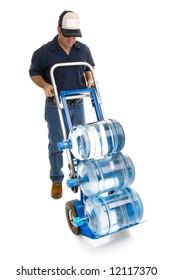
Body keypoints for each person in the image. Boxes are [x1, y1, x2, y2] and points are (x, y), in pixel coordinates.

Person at [29, 10, 95, 198]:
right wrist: (45, 85)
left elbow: (88, 69)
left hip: (78, 103)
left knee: (81, 142)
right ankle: (57, 179)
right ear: (58, 30)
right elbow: (34, 73)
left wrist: (90, 80)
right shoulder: (43, 52)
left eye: (75, 36)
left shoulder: (83, 49)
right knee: (57, 143)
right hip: (55, 105)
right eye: (68, 36)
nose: (71, 40)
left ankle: (81, 175)